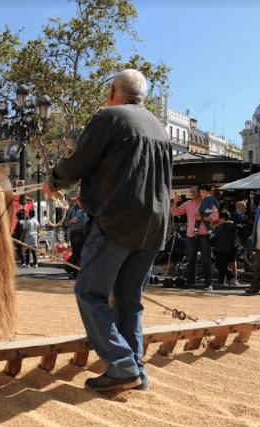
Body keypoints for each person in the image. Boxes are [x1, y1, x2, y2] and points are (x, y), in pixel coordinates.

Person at [42, 68, 172, 392]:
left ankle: (123, 364)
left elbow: (78, 162)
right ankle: (136, 372)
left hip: (119, 222)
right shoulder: (160, 128)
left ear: (114, 91)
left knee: (89, 292)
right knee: (129, 300)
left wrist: (54, 180)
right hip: (155, 227)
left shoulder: (110, 117)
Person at [172, 184, 218, 291]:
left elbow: (215, 217)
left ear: (200, 191)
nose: (192, 192)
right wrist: (175, 202)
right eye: (191, 190)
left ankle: (208, 284)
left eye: (195, 190)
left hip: (204, 234)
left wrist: (202, 218)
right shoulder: (188, 204)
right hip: (191, 235)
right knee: (191, 260)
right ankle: (190, 282)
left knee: (206, 260)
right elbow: (174, 212)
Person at [212, 211, 237, 286]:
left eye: (219, 218)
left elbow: (215, 236)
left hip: (221, 248)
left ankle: (231, 276)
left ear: (223, 218)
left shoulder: (222, 226)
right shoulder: (233, 225)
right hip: (230, 248)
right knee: (224, 265)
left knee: (219, 265)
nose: (218, 220)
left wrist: (214, 229)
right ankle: (221, 281)